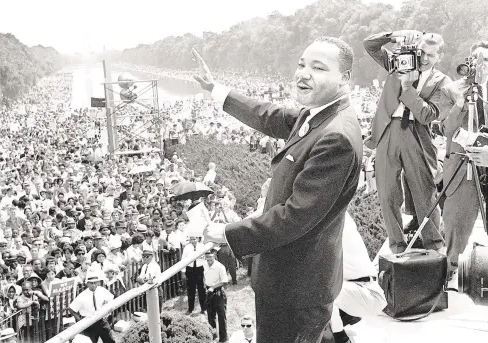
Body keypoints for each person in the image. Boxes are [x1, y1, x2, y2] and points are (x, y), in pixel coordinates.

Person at [194, 35, 363, 343]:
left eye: (318, 67)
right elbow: (269, 115)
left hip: (296, 289)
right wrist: (216, 90)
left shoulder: (335, 136)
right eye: (301, 64)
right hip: (292, 279)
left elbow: (296, 216)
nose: (304, 73)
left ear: (345, 78)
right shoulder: (319, 114)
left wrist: (230, 233)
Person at [363, 30, 450, 254]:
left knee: (424, 192)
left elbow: (428, 115)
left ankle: (433, 245)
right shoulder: (399, 62)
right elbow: (370, 45)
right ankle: (397, 245)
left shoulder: (442, 82)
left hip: (417, 135)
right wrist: (395, 35)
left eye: (430, 55)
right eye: (420, 52)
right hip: (387, 131)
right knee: (387, 192)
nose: (423, 58)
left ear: (439, 57)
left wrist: (408, 88)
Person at [437, 40, 488, 288]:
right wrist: (459, 103)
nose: (483, 67)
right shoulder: (452, 90)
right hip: (462, 166)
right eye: (479, 61)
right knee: (456, 221)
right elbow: (445, 128)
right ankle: (450, 273)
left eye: (487, 61)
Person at [326, 212, 387, 343]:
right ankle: (344, 319)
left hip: (368, 292)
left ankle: (340, 338)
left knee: (323, 292)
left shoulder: (334, 224)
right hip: (358, 288)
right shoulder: (339, 216)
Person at [68, 274, 115, 343]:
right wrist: (80, 320)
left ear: (98, 282)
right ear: (87, 284)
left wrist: (106, 309)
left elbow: (111, 299)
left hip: (101, 320)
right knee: (90, 341)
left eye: (95, 282)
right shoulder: (82, 296)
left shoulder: (102, 291)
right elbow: (71, 309)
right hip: (89, 324)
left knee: (110, 340)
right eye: (91, 283)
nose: (93, 285)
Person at [204, 250, 229, 343]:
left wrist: (213, 287)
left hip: (218, 293)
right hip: (209, 292)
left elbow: (225, 281)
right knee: (210, 316)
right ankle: (213, 337)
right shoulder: (204, 264)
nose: (209, 260)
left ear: (214, 256)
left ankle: (223, 339)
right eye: (207, 258)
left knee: (221, 317)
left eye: (211, 258)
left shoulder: (220, 267)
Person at [181, 235, 206, 315]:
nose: (192, 241)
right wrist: (183, 272)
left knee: (201, 289)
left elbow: (205, 259)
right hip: (190, 270)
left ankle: (203, 308)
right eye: (191, 239)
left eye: (194, 239)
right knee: (191, 290)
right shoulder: (187, 248)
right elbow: (183, 260)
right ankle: (190, 309)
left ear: (198, 238)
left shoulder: (202, 246)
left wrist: (205, 271)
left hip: (200, 269)